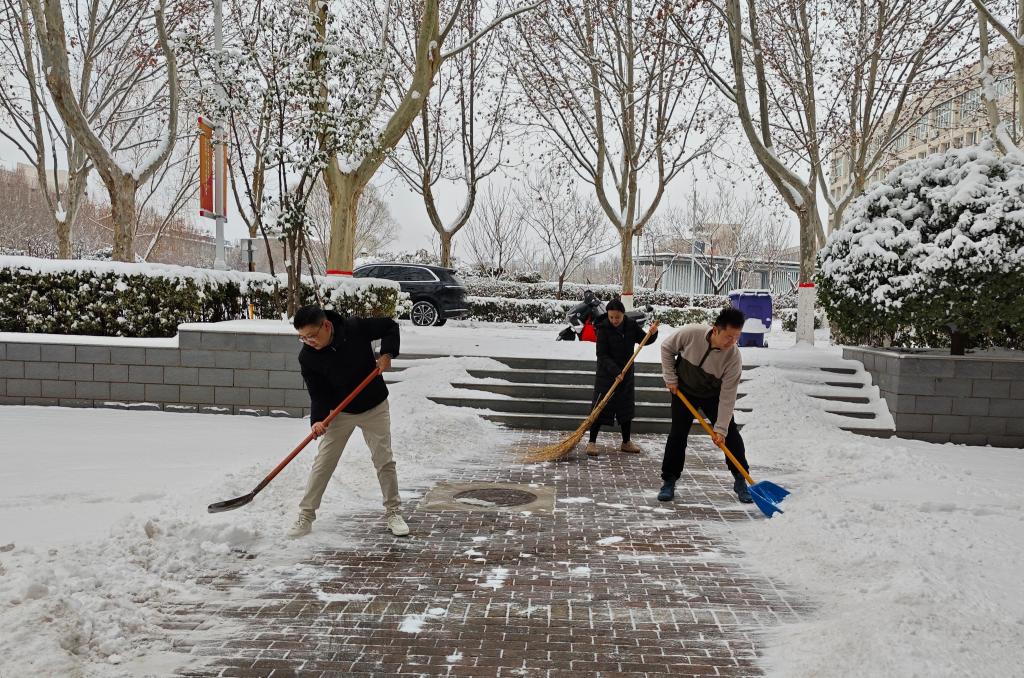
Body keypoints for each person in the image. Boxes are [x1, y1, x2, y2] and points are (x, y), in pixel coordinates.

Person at [287, 305, 409, 538]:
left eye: (312, 336)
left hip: (374, 406)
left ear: (326, 325)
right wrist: (318, 420)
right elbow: (318, 393)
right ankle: (306, 516)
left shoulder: (354, 328)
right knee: (323, 463)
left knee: (384, 460)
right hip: (340, 412)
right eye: (303, 338)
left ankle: (394, 512)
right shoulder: (307, 357)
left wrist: (387, 354)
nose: (308, 341)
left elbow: (390, 326)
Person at [657, 307, 753, 504]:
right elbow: (666, 348)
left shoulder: (733, 357)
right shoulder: (691, 334)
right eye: (729, 337)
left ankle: (740, 478)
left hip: (712, 395)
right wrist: (670, 378)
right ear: (716, 330)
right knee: (678, 434)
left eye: (736, 337)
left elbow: (728, 396)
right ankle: (669, 480)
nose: (732, 342)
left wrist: (721, 429)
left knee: (731, 434)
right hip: (683, 390)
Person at [585, 299, 659, 457]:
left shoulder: (631, 325)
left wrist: (653, 333)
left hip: (626, 374)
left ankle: (626, 442)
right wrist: (615, 371)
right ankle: (591, 442)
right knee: (600, 407)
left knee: (626, 408)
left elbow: (644, 340)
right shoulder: (603, 328)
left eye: (617, 317)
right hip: (606, 375)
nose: (614, 320)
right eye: (611, 317)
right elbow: (601, 355)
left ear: (623, 314)